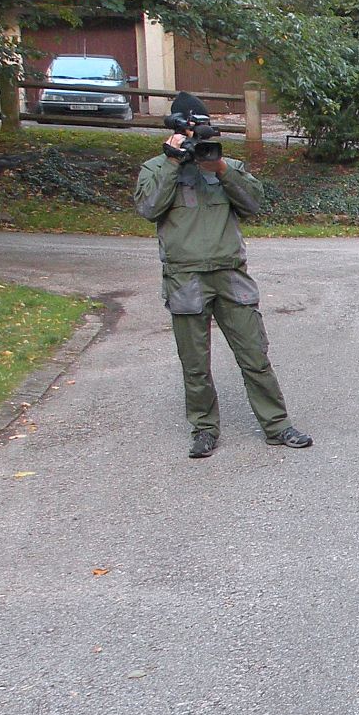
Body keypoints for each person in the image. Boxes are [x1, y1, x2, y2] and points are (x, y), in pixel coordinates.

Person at [132, 91, 311, 458]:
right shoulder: (155, 168)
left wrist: (223, 170)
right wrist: (172, 161)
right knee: (195, 364)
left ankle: (277, 426)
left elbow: (254, 203)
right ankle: (204, 429)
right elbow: (149, 208)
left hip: (230, 275)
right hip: (186, 278)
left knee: (255, 355)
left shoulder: (224, 164)